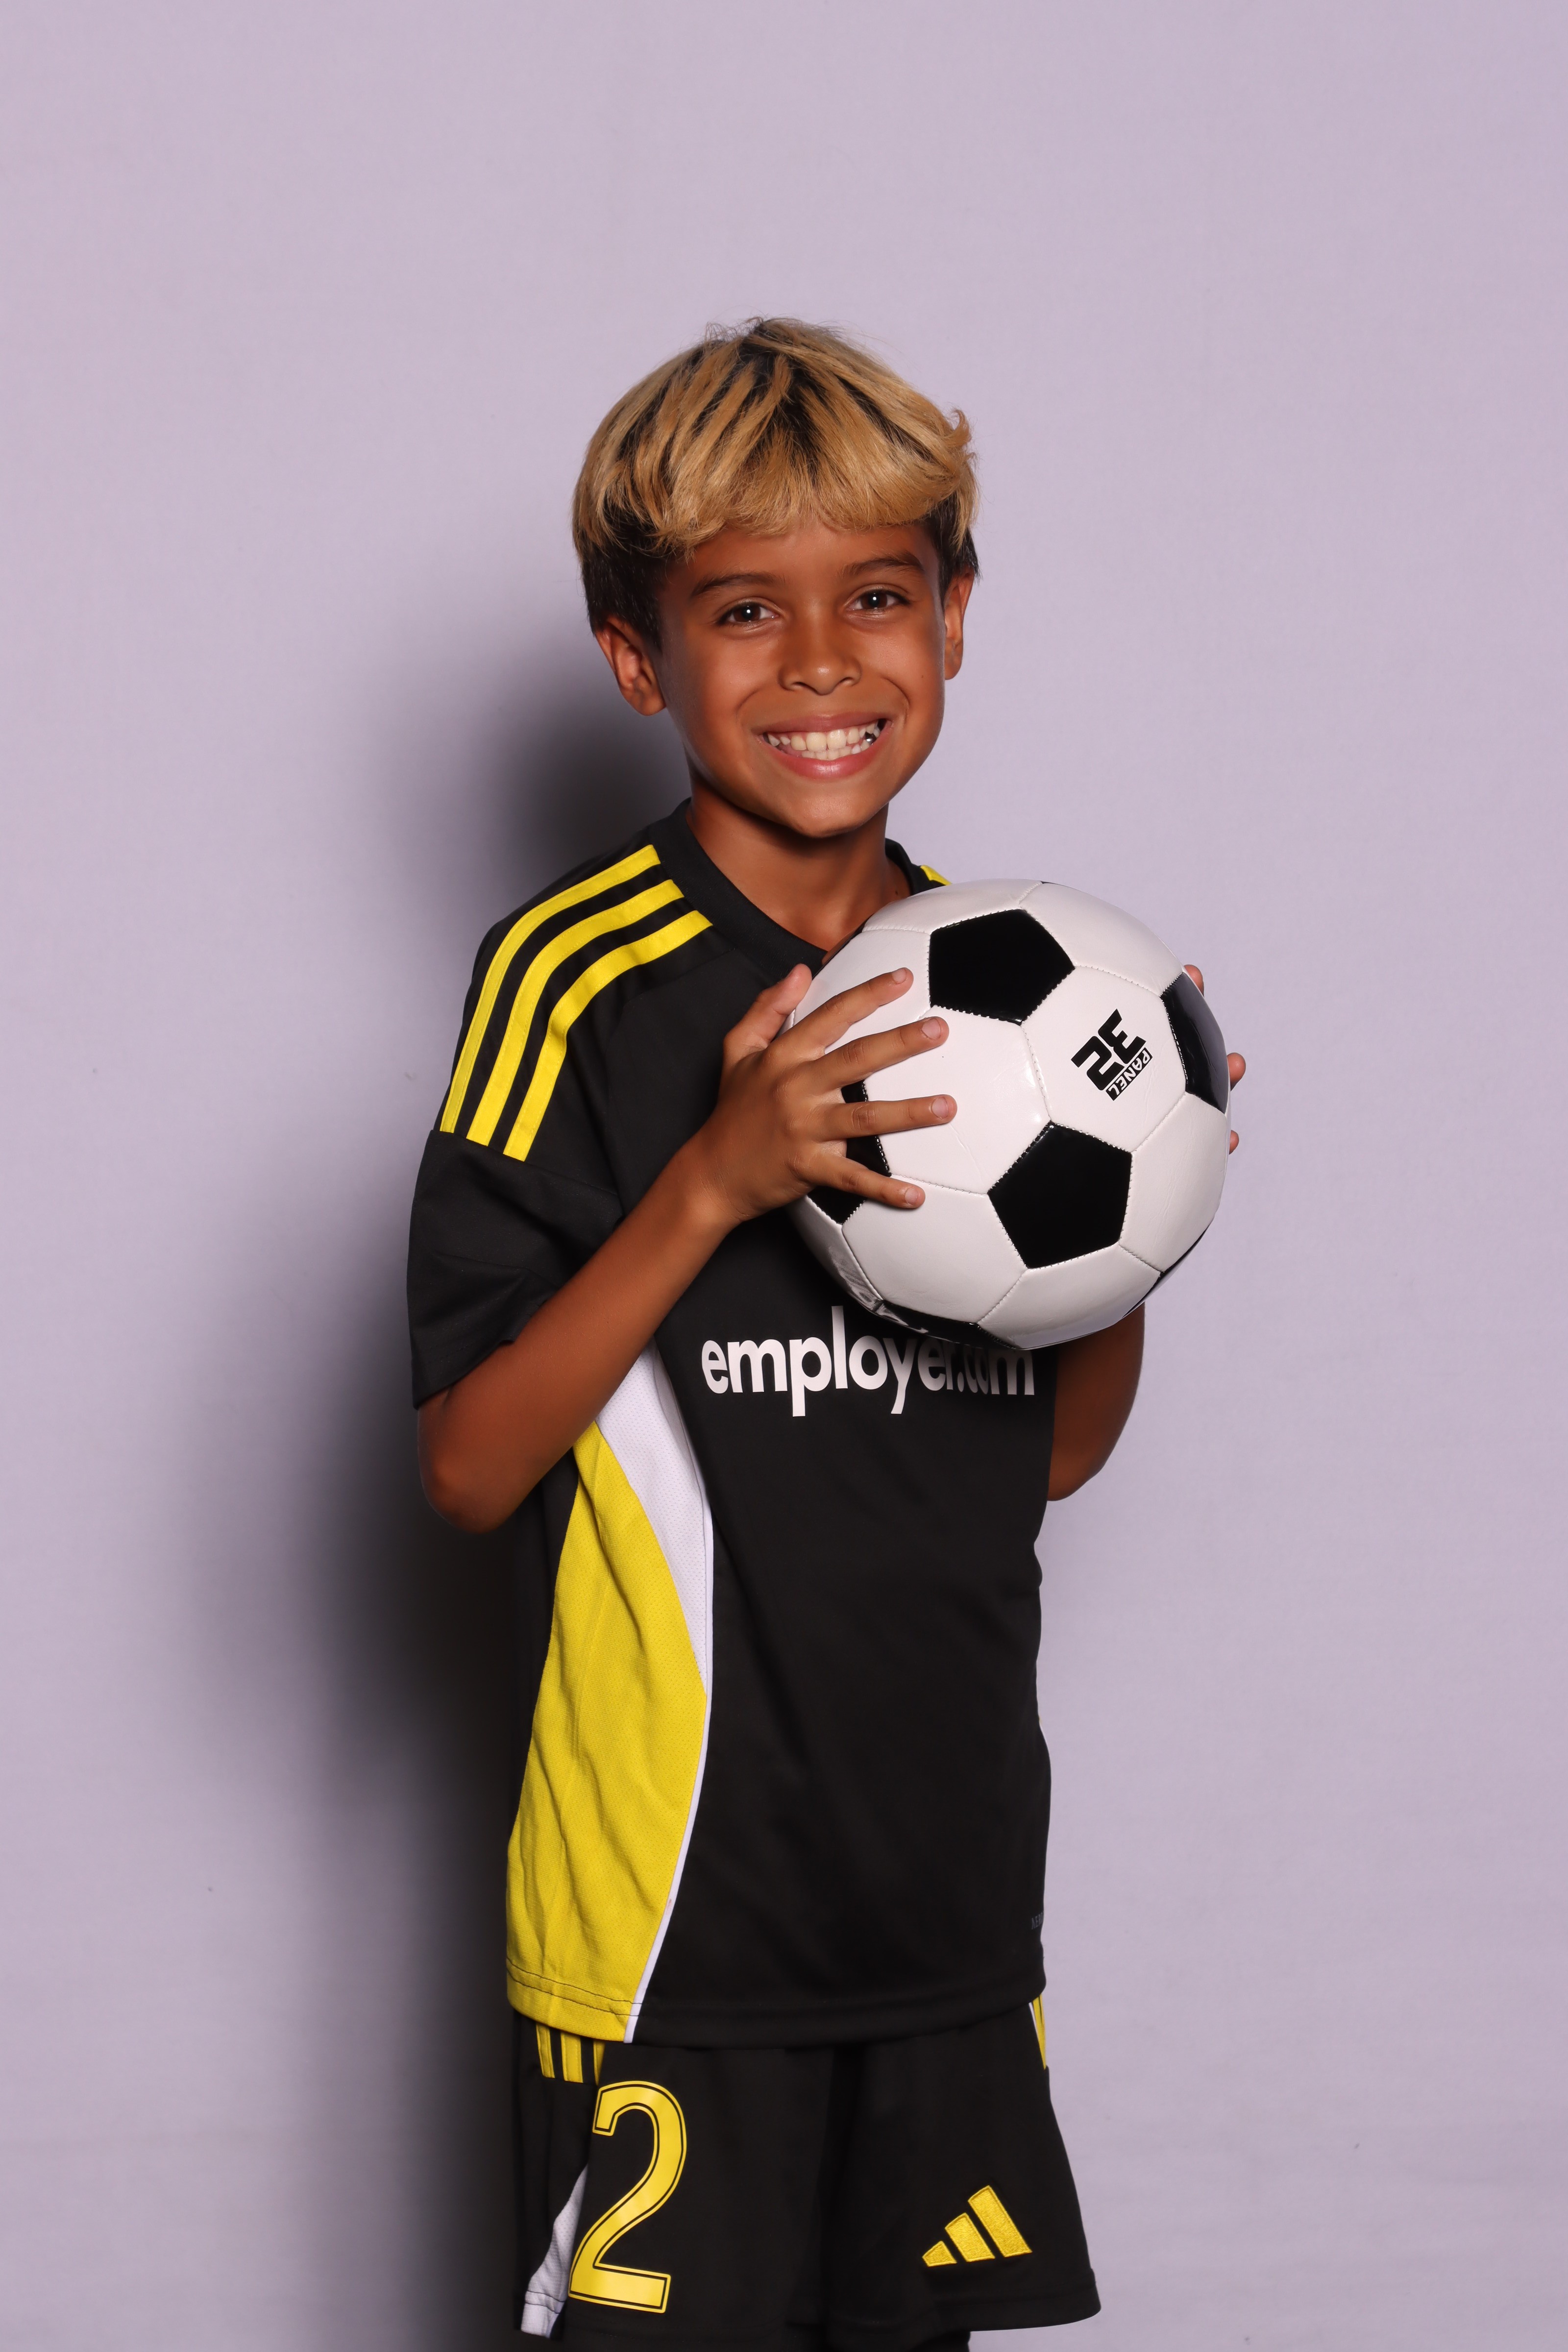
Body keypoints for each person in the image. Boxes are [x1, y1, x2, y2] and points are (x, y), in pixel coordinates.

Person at [407, 319, 1244, 2349]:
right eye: (741, 612)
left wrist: (1147, 1201)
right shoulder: (577, 981)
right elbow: (468, 1465)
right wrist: (714, 1179)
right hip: (673, 1934)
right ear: (638, 661)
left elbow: (1048, 1456)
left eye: (874, 597)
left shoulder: (1022, 990)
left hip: (942, 1918)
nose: (817, 664)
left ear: (951, 621)